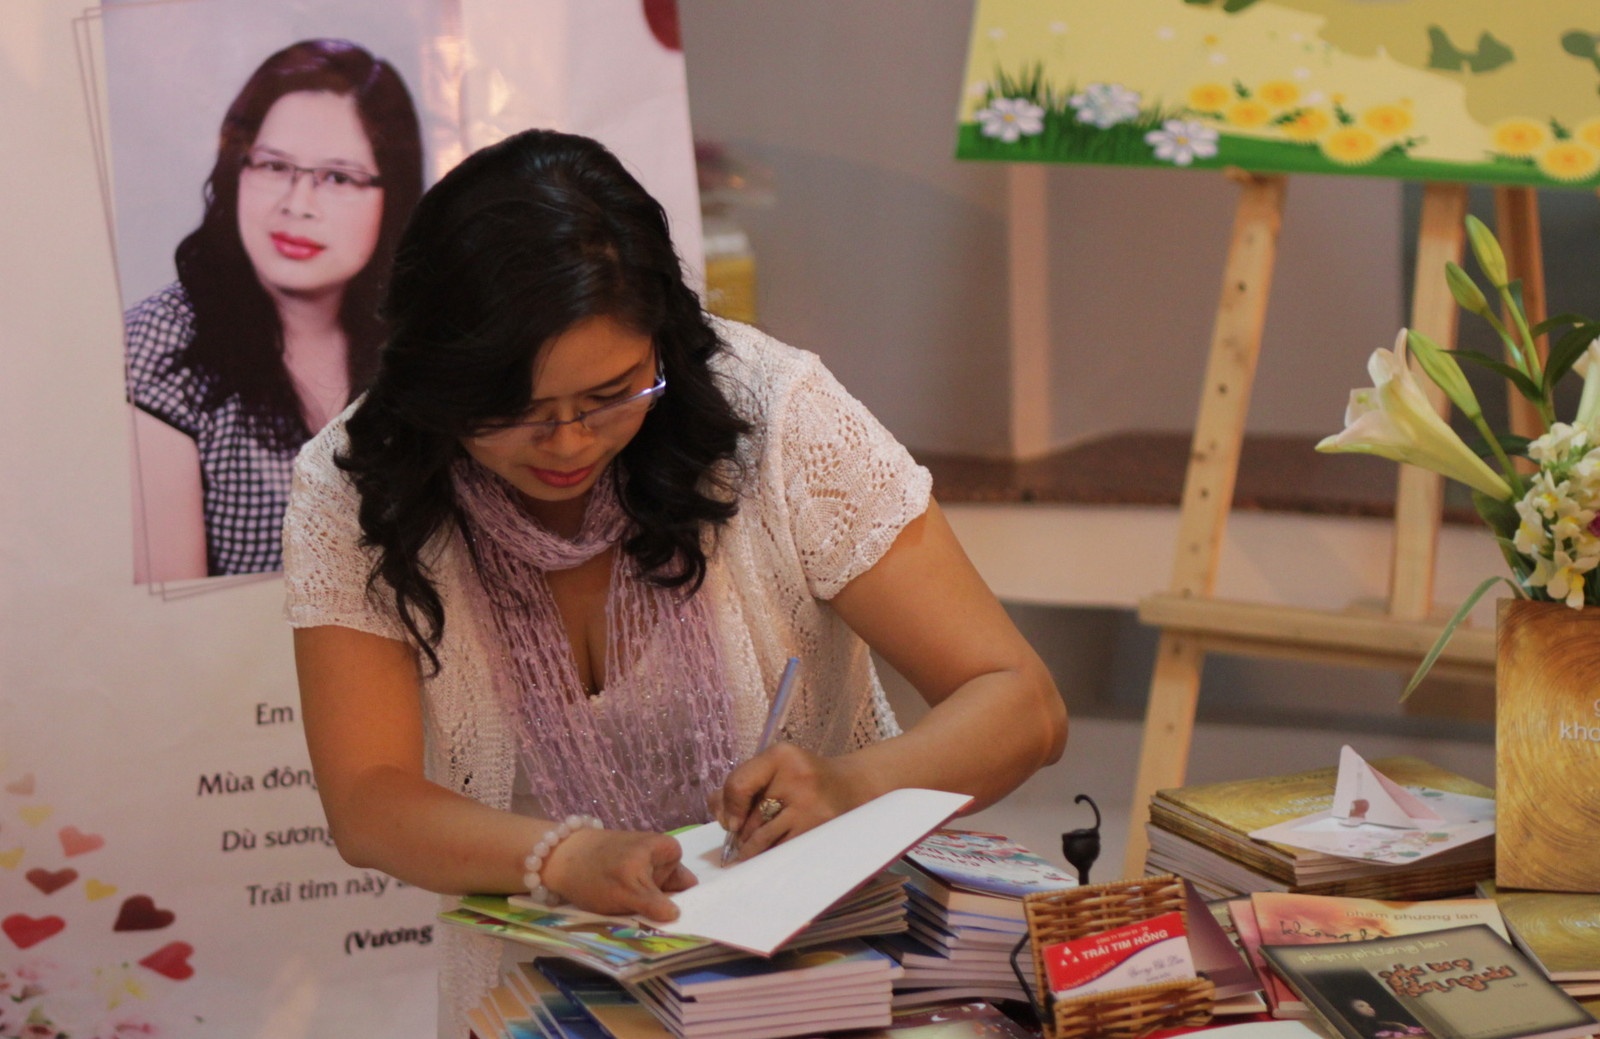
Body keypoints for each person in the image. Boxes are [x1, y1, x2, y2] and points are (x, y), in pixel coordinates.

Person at [282, 128, 1068, 1038]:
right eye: (515, 412)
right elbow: (368, 799)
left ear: (663, 338)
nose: (569, 441)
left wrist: (854, 785)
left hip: (826, 978)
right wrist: (559, 856)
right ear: (436, 384)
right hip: (542, 1002)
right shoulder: (357, 484)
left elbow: (1022, 701)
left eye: (611, 394)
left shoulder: (773, 416)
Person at [125, 38, 424, 580]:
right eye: (273, 166)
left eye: (337, 177)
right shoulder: (159, 348)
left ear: (393, 194)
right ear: (236, 171)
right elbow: (168, 616)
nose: (297, 204)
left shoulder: (424, 337)